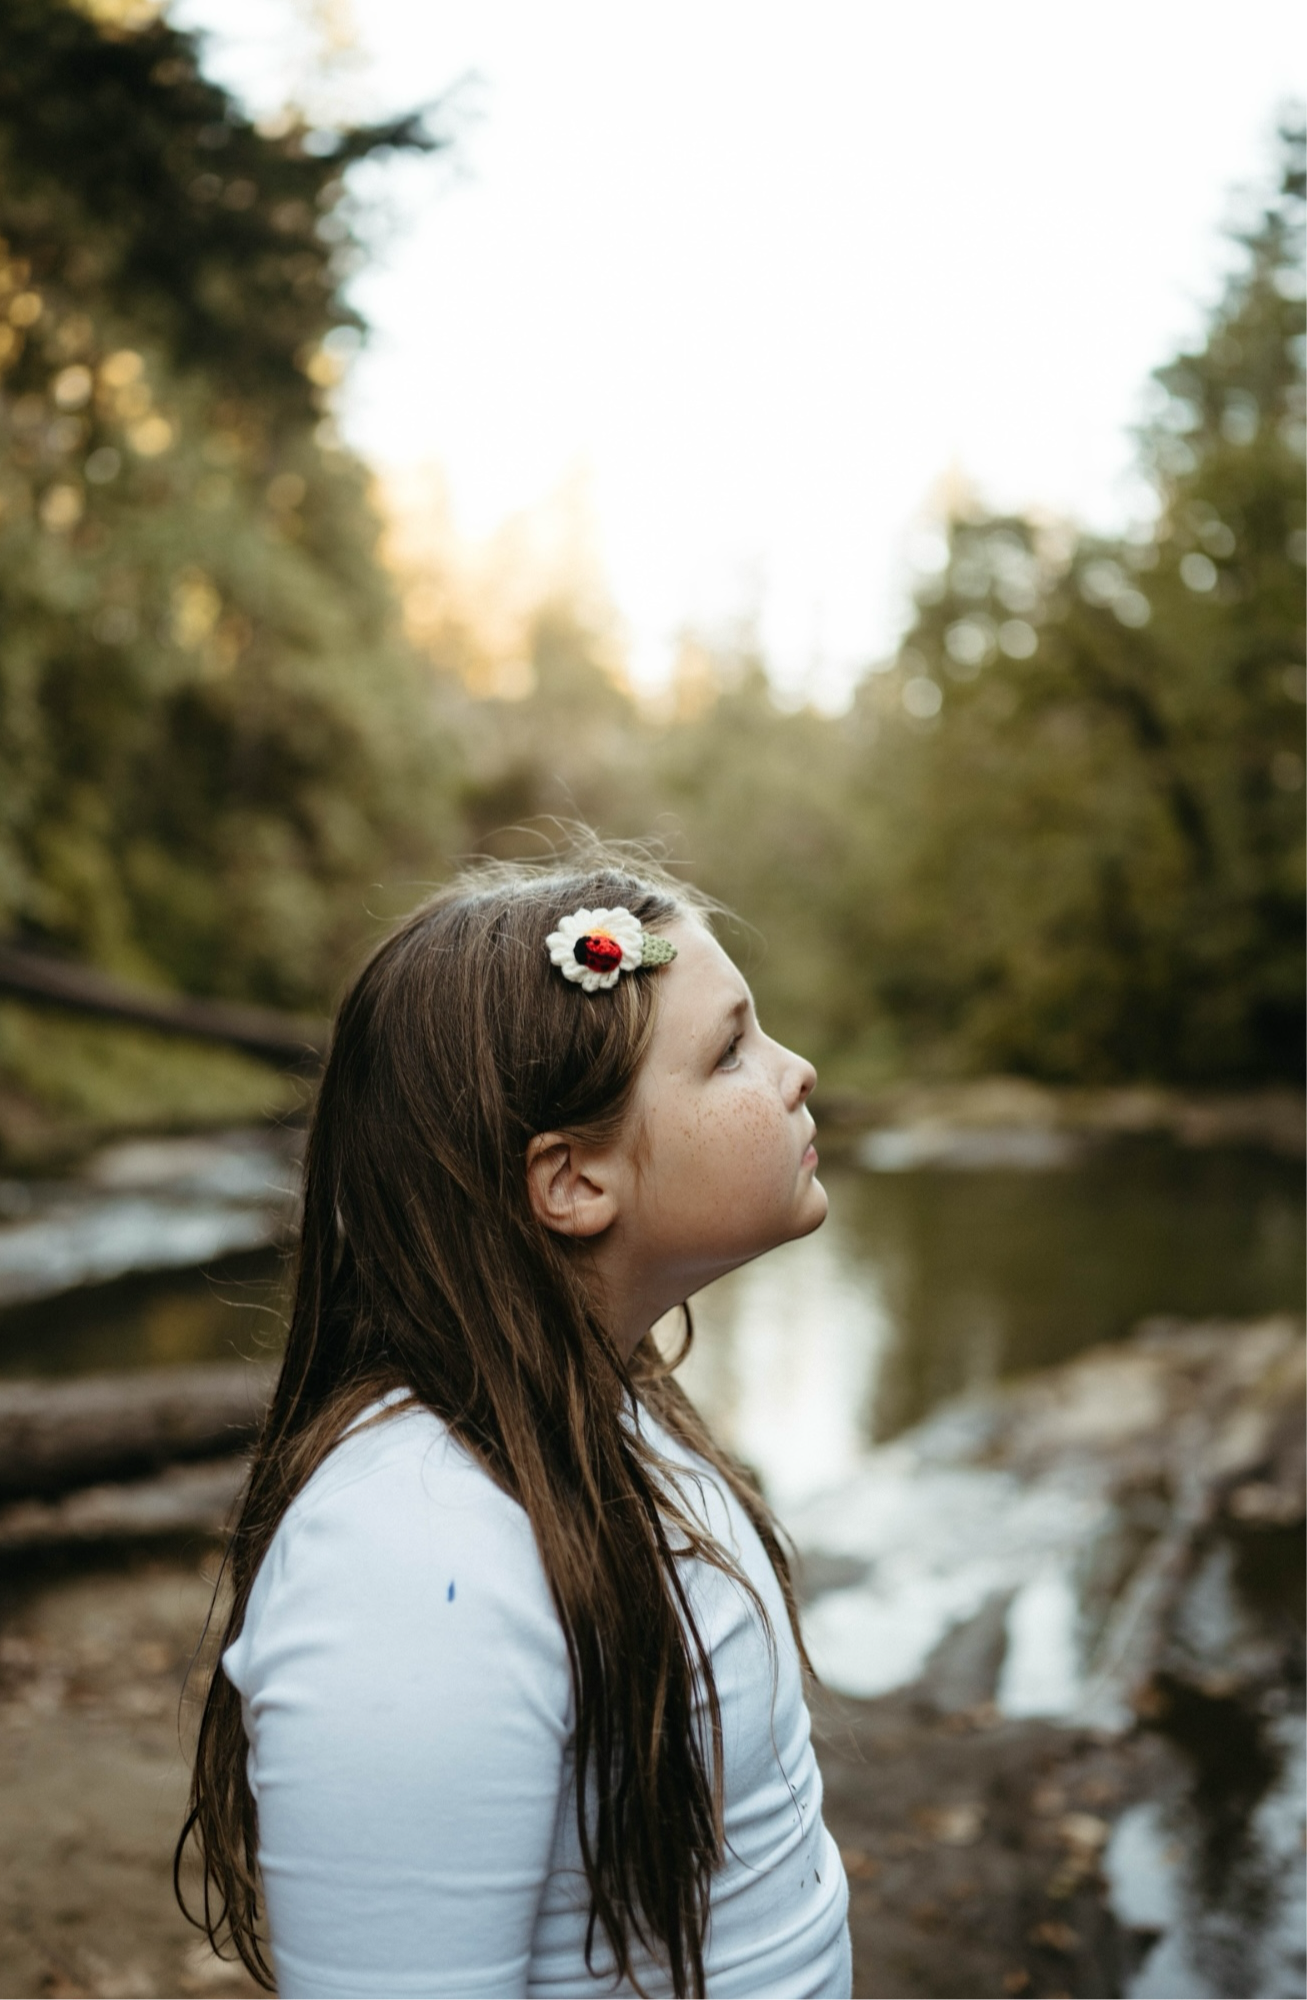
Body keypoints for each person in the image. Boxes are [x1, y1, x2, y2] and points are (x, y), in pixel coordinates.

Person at [178, 848, 852, 2000]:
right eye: (729, 1048)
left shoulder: (615, 1407)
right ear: (573, 1179)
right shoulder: (409, 1554)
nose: (794, 1071)